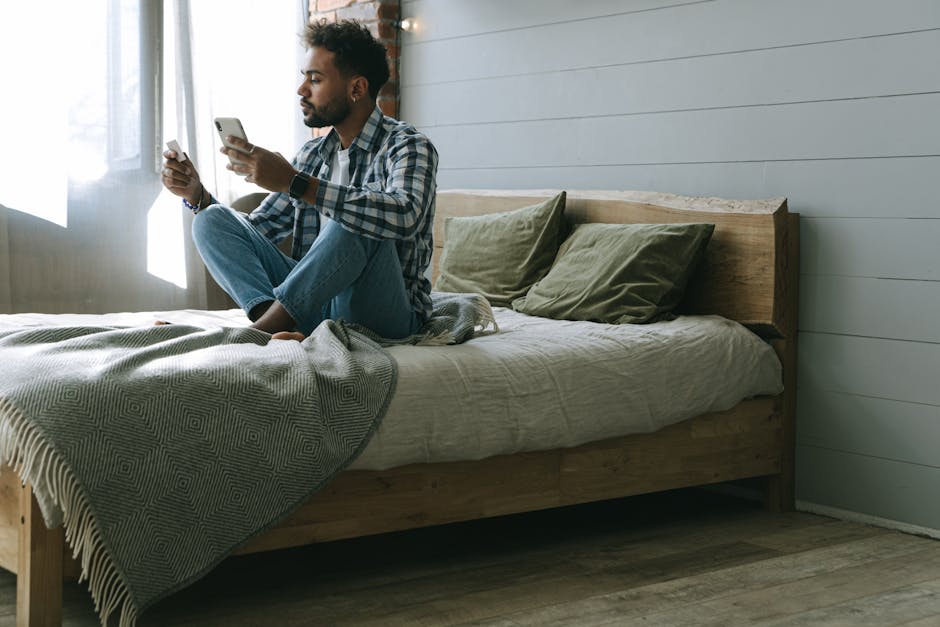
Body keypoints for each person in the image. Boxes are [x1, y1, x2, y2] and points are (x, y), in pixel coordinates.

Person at [160, 19, 438, 341]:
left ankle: (256, 335)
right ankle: (277, 326)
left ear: (357, 89)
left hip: (384, 311)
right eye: (303, 77)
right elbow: (258, 231)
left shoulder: (408, 145)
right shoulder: (312, 154)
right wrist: (198, 196)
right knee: (210, 220)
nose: (301, 90)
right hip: (316, 306)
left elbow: (404, 215)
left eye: (315, 79)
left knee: (354, 218)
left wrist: (296, 183)